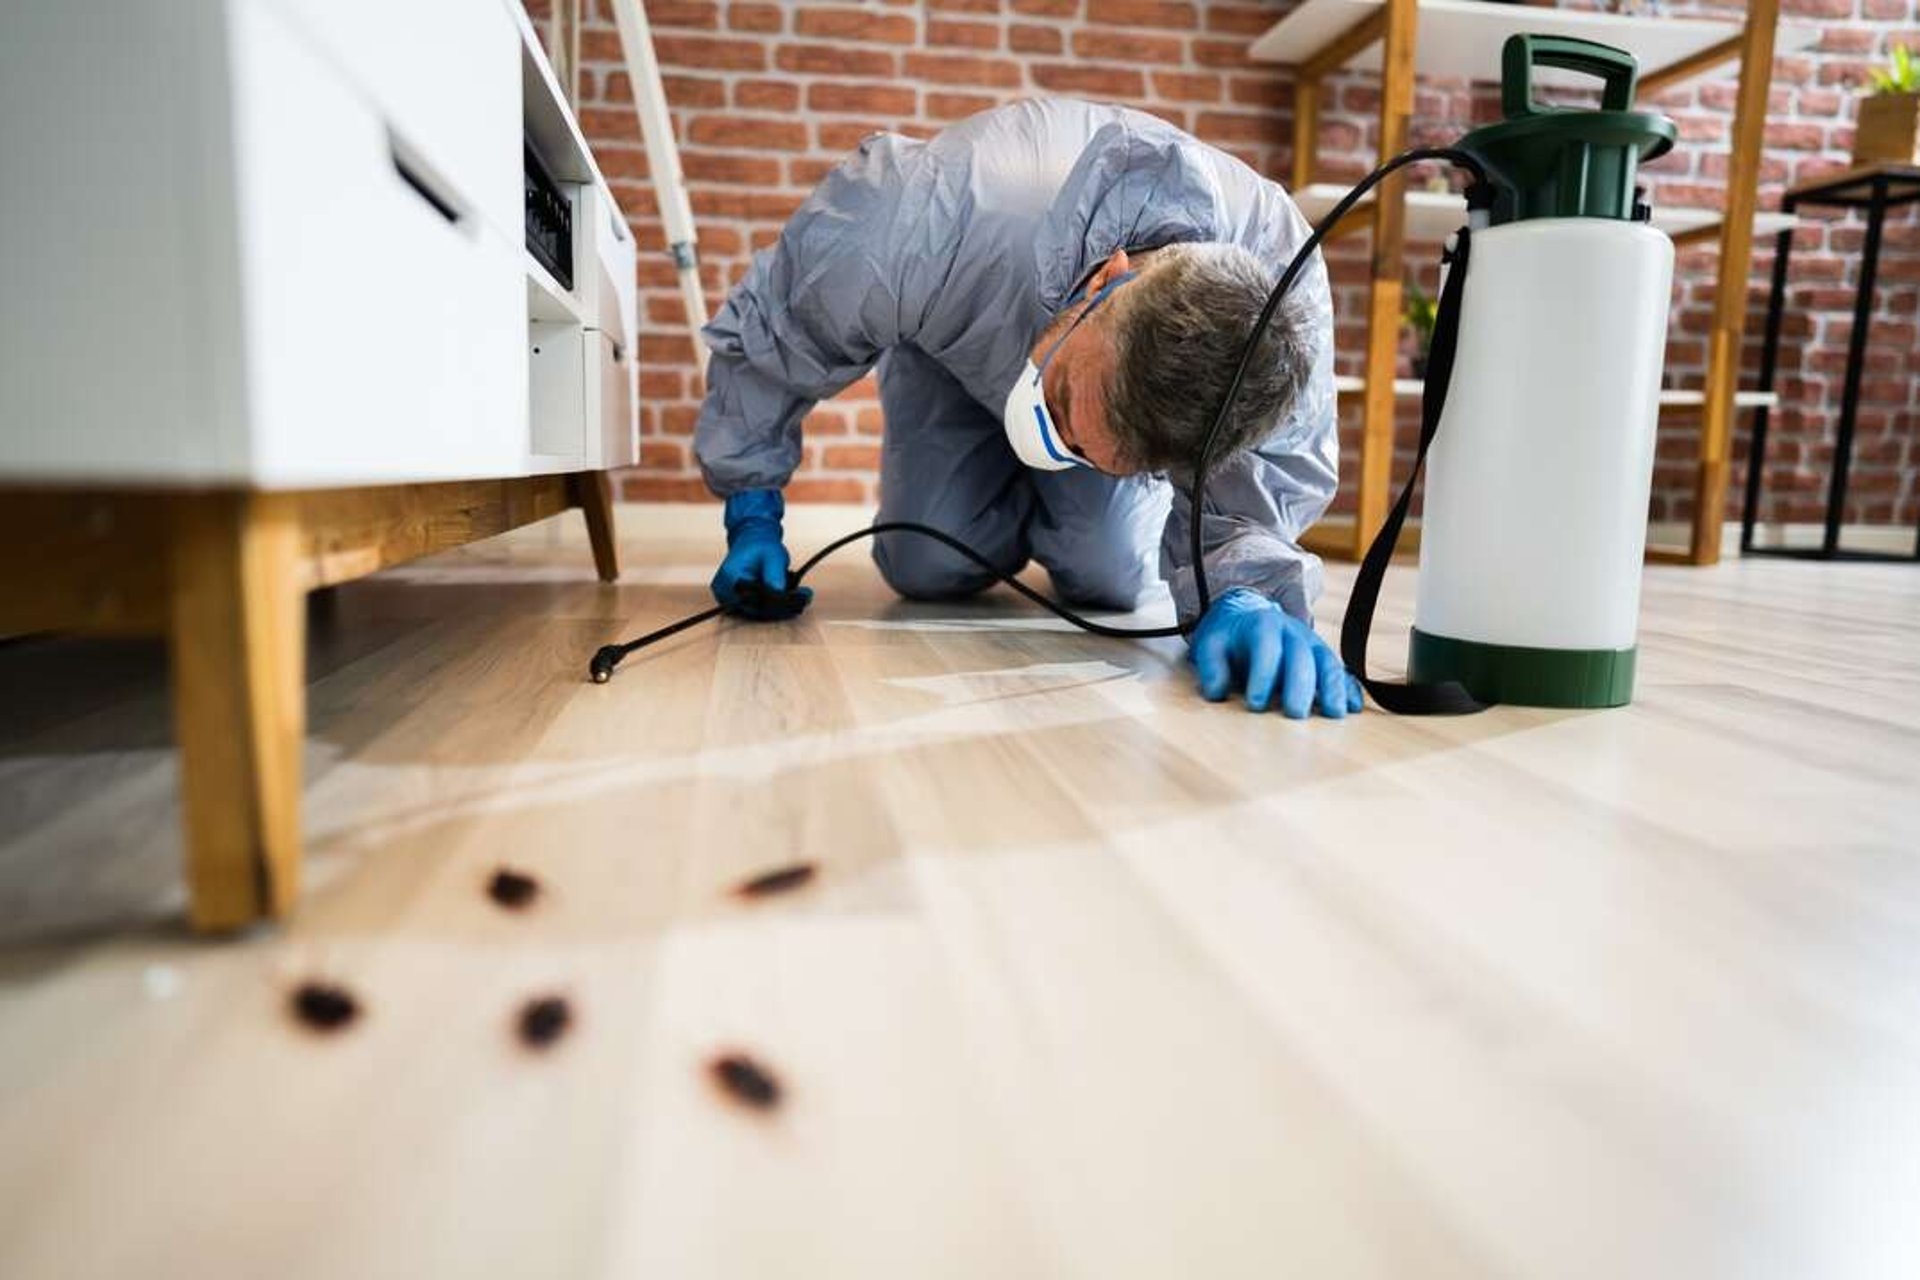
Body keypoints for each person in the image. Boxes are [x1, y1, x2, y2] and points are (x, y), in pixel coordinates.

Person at [691, 98, 1361, 720]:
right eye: (1068, 400)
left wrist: (1244, 591)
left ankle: (1094, 467)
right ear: (1106, 279)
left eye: (1094, 450)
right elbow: (782, 332)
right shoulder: (930, 216)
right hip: (951, 355)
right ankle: (1035, 472)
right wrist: (752, 507)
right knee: (925, 567)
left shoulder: (1282, 321)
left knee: (1113, 579)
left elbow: (1258, 491)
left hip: (1098, 398)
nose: (1054, 439)